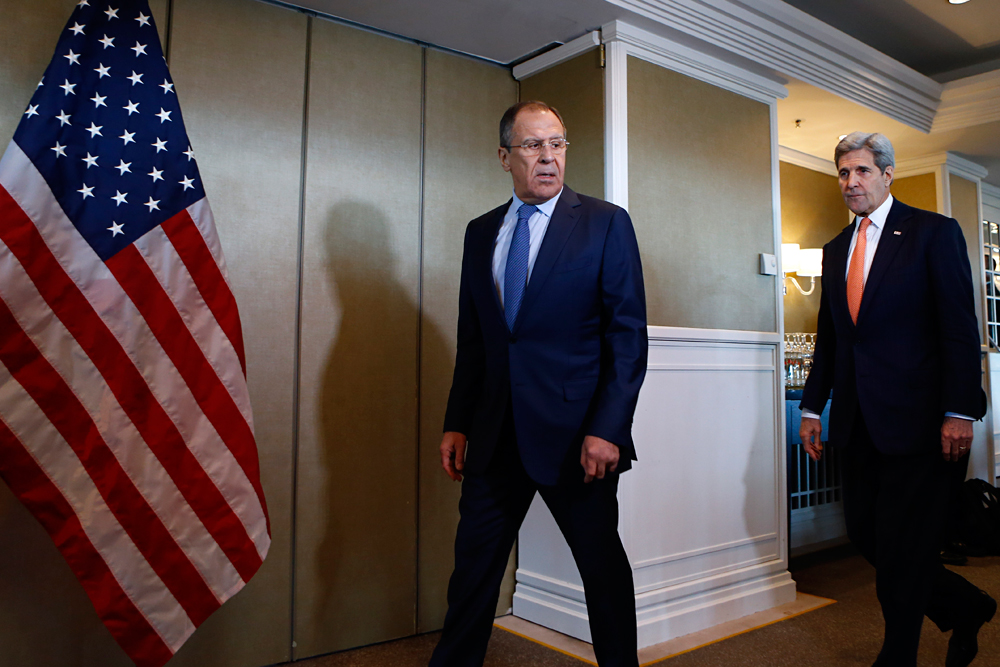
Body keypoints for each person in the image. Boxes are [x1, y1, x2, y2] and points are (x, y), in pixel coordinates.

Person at [429, 101, 647, 667]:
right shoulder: (481, 234)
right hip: (494, 434)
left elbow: (627, 339)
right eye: (532, 145)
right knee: (472, 574)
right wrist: (457, 420)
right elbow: (474, 339)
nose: (548, 156)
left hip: (578, 440)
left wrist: (608, 430)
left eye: (557, 143)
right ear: (505, 157)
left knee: (601, 571)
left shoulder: (604, 222)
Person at [799, 132, 996, 667]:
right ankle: (967, 603)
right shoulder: (836, 248)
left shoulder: (933, 233)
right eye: (843, 173)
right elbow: (832, 339)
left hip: (921, 423)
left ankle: (898, 655)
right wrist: (813, 407)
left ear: (888, 175)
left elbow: (959, 326)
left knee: (906, 548)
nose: (851, 182)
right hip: (859, 423)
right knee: (868, 535)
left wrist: (960, 409)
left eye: (861, 171)